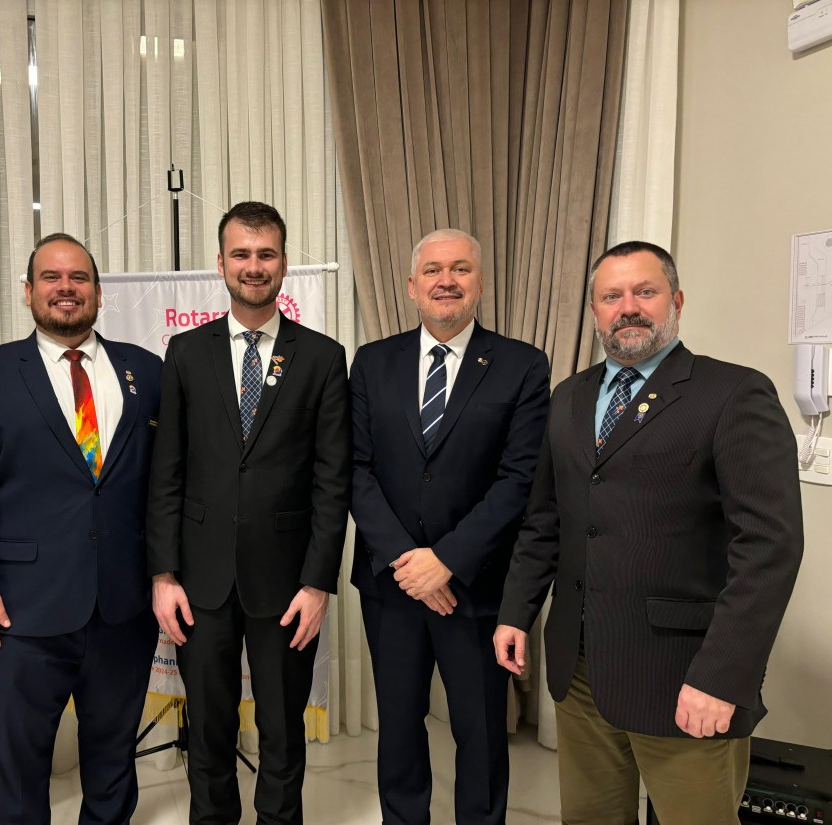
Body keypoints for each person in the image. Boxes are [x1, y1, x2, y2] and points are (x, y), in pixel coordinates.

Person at [494, 241, 803, 824]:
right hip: (581, 673)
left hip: (684, 679)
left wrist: (723, 676)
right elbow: (547, 520)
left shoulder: (733, 394)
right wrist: (516, 611)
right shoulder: (569, 399)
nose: (627, 307)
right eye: (611, 296)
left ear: (677, 301)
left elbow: (769, 549)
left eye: (645, 292)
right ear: (594, 311)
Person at [0, 233, 160, 825]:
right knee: (16, 766)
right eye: (51, 278)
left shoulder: (147, 371)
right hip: (17, 611)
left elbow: (164, 486)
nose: (66, 289)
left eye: (79, 278)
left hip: (123, 606)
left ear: (97, 290)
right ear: (29, 291)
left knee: (114, 758)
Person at [147, 201, 351, 825]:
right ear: (221, 264)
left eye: (265, 255)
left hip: (287, 583)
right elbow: (167, 472)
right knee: (207, 731)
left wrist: (318, 583)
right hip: (200, 582)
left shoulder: (321, 357)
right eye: (242, 254)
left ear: (283, 263)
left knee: (283, 730)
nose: (253, 266)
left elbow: (331, 481)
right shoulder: (184, 352)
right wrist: (162, 575)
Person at [349, 229, 550, 824]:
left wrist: (448, 561)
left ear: (479, 284)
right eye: (433, 270)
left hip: (478, 587)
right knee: (400, 728)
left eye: (460, 268)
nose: (446, 280)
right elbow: (355, 470)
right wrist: (410, 563)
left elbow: (519, 480)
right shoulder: (372, 361)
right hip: (393, 585)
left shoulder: (521, 365)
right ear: (412, 287)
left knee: (482, 731)